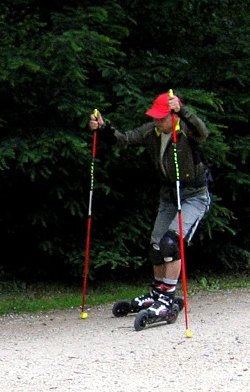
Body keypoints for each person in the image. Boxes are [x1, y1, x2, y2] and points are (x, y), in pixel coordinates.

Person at [89, 91, 211, 319]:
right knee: (156, 247)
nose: (157, 121)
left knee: (170, 243)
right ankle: (156, 292)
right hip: (169, 196)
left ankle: (168, 297)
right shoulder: (152, 131)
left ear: (173, 115)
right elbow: (123, 139)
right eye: (155, 117)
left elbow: (203, 133)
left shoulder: (185, 130)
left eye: (161, 117)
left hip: (194, 196)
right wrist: (103, 128)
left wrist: (182, 111)